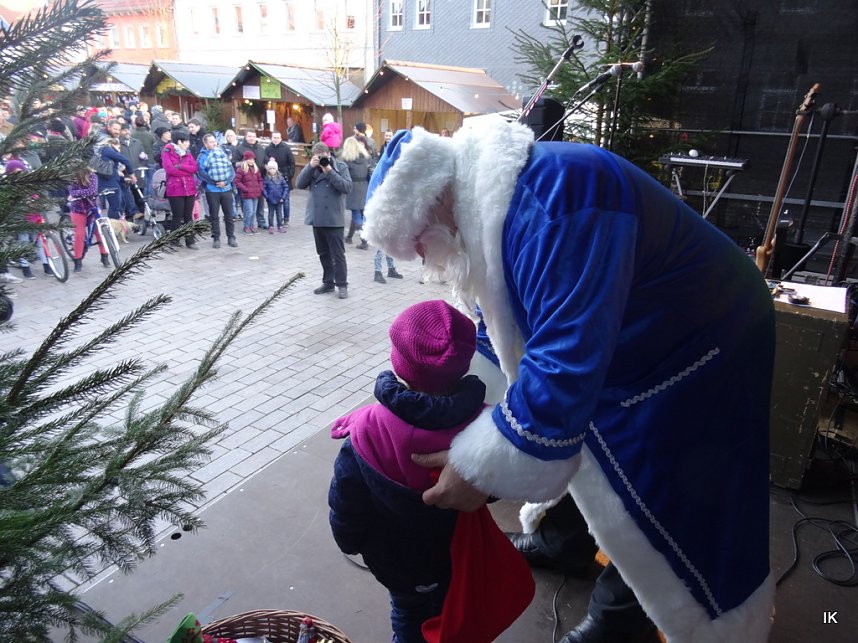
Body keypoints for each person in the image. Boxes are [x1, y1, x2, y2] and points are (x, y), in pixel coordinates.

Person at [363, 122, 776, 643]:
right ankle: (565, 543)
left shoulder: (556, 204)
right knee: (576, 435)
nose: (425, 261)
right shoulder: (486, 205)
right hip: (638, 327)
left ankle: (619, 622)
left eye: (418, 245)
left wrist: (478, 468)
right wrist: (451, 405)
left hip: (704, 336)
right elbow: (510, 329)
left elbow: (560, 362)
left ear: (434, 201)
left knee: (659, 481)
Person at [328, 300, 488, 642]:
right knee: (451, 606)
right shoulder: (486, 426)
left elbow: (346, 498)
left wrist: (349, 540)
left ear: (400, 362)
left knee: (408, 613)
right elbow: (495, 487)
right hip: (456, 554)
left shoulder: (367, 428)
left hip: (395, 561)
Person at [295, 142, 351, 299]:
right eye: (317, 156)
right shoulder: (312, 168)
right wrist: (309, 166)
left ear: (329, 154)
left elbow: (347, 187)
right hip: (318, 217)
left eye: (323, 156)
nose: (321, 159)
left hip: (334, 218)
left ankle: (342, 285)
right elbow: (299, 184)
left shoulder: (340, 167)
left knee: (338, 255)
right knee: (323, 253)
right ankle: (328, 282)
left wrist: (330, 171)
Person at [196, 133, 238, 248]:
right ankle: (216, 238)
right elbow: (201, 172)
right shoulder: (202, 156)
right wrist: (215, 182)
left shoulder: (222, 152)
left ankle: (231, 237)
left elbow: (231, 170)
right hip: (212, 190)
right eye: (211, 142)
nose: (214, 144)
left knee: (229, 215)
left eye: (214, 141)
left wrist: (226, 182)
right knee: (214, 215)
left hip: (226, 189)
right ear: (205, 144)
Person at [161, 130, 199, 250]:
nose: (188, 144)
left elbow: (194, 168)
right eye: (186, 141)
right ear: (179, 142)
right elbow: (170, 170)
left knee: (188, 216)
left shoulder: (187, 153)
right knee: (177, 216)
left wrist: (181, 166)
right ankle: (174, 240)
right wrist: (186, 172)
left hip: (189, 188)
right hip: (175, 189)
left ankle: (190, 241)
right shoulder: (167, 151)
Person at [67, 164, 109, 271]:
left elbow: (92, 191)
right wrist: (77, 194)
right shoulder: (71, 178)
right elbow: (72, 192)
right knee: (79, 235)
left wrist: (77, 194)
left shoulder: (92, 176)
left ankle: (105, 256)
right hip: (78, 209)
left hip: (92, 207)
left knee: (100, 232)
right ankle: (78, 261)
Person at [340, 136, 371, 249]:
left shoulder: (347, 161)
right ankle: (349, 237)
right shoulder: (365, 158)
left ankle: (364, 241)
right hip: (364, 187)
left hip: (353, 188)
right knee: (361, 213)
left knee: (356, 214)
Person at [235, 150, 264, 234]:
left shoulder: (256, 169)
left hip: (256, 193)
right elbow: (237, 181)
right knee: (249, 211)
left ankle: (251, 225)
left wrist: (260, 188)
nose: (252, 161)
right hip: (247, 194)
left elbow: (260, 180)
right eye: (250, 159)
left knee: (254, 211)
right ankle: (246, 226)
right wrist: (245, 189)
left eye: (253, 159)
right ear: (246, 159)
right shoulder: (241, 169)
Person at [262, 159, 289, 233]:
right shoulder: (266, 178)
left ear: (276, 169)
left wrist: (283, 197)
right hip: (270, 199)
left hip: (279, 199)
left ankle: (280, 226)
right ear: (268, 170)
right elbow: (263, 188)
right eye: (270, 169)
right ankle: (271, 226)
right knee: (270, 213)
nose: (272, 170)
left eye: (273, 169)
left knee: (279, 213)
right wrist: (267, 196)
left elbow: (286, 187)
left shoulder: (281, 178)